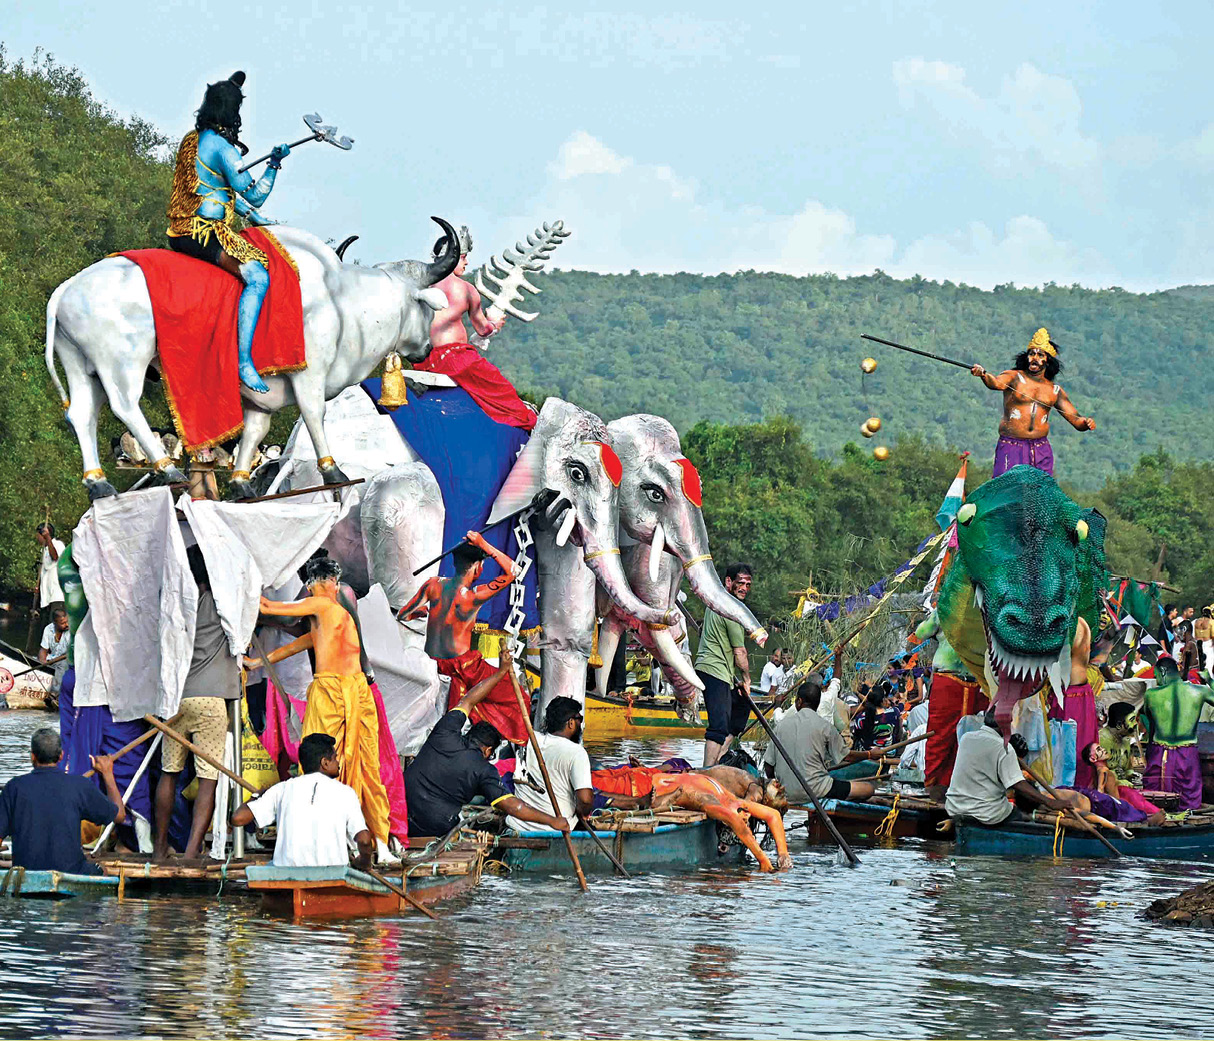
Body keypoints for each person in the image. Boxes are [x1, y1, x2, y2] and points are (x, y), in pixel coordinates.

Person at [246, 556, 392, 853]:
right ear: (334, 583)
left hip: (332, 689)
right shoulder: (335, 615)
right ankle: (379, 842)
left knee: (316, 762)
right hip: (357, 691)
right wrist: (258, 662)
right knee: (365, 768)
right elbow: (301, 644)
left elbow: (268, 608)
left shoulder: (323, 603)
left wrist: (245, 578)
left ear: (316, 584)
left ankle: (336, 835)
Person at [165, 70, 293, 394]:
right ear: (232, 112)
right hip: (204, 232)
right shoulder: (223, 148)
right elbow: (255, 193)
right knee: (259, 275)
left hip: (182, 229)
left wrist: (255, 218)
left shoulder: (192, 141)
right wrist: (274, 163)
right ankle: (244, 362)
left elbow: (217, 193)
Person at [404, 647, 569, 837]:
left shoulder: (446, 732)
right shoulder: (485, 770)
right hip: (434, 824)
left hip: (397, 811)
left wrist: (500, 672)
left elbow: (468, 700)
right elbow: (512, 806)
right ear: (488, 751)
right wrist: (552, 820)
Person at [396, 531, 528, 744]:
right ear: (478, 567)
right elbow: (514, 570)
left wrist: (419, 613)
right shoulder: (474, 596)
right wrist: (483, 543)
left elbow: (403, 614)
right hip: (464, 668)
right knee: (517, 694)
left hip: (432, 661)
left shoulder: (432, 584)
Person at [153, 546, 240, 861]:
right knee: (207, 779)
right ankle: (191, 853)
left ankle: (160, 849)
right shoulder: (222, 605)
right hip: (211, 700)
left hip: (176, 699)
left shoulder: (177, 607)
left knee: (169, 772)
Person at [410, 225, 536, 430]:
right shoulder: (466, 289)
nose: (467, 262)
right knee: (504, 395)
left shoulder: (421, 286)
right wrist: (494, 324)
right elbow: (482, 330)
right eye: (463, 257)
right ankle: (528, 428)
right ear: (451, 257)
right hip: (457, 359)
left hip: (427, 359)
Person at [232, 733, 373, 869]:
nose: (338, 763)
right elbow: (364, 840)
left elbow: (238, 818)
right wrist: (364, 863)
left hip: (287, 875)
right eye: (335, 758)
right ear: (324, 763)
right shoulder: (346, 793)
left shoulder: (282, 789)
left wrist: (257, 796)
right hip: (332, 875)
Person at [969, 327, 1095, 477]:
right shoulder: (1014, 377)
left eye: (1040, 355)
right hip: (1011, 446)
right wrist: (983, 374)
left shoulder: (1054, 390)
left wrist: (1086, 423)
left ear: (1047, 361)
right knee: (1006, 491)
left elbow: (1075, 419)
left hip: (1040, 449)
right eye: (1031, 353)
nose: (1034, 357)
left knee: (1040, 493)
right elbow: (995, 382)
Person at [0, 728, 124, 875]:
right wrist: (108, 773)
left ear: (32, 757)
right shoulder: (79, 785)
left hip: (25, 871)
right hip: (71, 871)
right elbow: (120, 815)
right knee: (102, 870)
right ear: (61, 756)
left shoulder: (14, 787)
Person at [762, 674, 880, 804]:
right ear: (817, 704)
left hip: (786, 791)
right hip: (817, 790)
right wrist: (869, 754)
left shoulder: (781, 725)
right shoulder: (826, 727)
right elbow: (847, 756)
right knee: (868, 789)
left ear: (799, 701)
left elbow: (768, 766)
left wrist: (777, 783)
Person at [650, 768, 792, 872]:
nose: (747, 818)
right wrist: (763, 861)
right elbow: (735, 821)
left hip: (662, 778)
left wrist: (783, 855)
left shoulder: (732, 799)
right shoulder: (710, 801)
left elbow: (773, 815)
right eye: (744, 818)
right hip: (649, 787)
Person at [945, 713, 1072, 824]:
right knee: (1022, 816)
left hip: (954, 807)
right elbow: (1018, 784)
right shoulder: (1003, 747)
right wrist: (1050, 802)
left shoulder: (967, 738)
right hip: (986, 813)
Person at [917, 610, 988, 798]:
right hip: (976, 680)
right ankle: (949, 787)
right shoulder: (987, 607)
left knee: (941, 737)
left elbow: (920, 634)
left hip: (955, 680)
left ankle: (937, 787)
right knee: (968, 736)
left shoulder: (945, 607)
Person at [694, 562, 759, 767]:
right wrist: (747, 679)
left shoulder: (715, 601)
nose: (744, 589)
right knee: (719, 726)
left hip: (720, 672)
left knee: (741, 706)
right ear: (728, 582)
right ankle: (707, 771)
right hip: (714, 670)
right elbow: (739, 652)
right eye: (740, 583)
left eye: (748, 585)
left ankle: (719, 758)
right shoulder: (732, 609)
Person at [507, 696, 593, 832]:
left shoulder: (524, 740)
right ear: (570, 723)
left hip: (517, 826)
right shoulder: (576, 752)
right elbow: (586, 800)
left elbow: (508, 720)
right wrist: (581, 812)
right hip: (556, 830)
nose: (580, 724)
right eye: (579, 720)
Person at [1139, 655, 1214, 809]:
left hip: (1160, 753)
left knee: (1155, 803)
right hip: (1187, 753)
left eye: (1157, 677)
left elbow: (1150, 719)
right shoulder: (1200, 691)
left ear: (1163, 672)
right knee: (1188, 804)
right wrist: (1209, 680)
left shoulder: (1151, 694)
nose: (1157, 681)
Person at [1098, 702, 1140, 785]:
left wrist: (1131, 774)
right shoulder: (1101, 739)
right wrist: (1119, 782)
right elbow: (1099, 773)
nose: (1135, 724)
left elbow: (1127, 768)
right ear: (1119, 725)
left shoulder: (1125, 739)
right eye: (1132, 720)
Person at [38, 607, 71, 696]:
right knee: (34, 661)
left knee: (62, 664)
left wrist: (56, 660)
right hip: (52, 658)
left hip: (67, 660)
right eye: (63, 623)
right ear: (55, 623)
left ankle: (54, 693)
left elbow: (69, 654)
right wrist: (42, 663)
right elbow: (43, 649)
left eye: (67, 621)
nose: (66, 624)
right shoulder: (48, 629)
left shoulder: (71, 631)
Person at [35, 523, 65, 616]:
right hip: (46, 597)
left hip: (57, 595)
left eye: (38, 535)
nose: (37, 538)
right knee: (48, 627)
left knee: (57, 625)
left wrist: (48, 538)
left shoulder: (58, 545)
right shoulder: (44, 550)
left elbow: (55, 557)